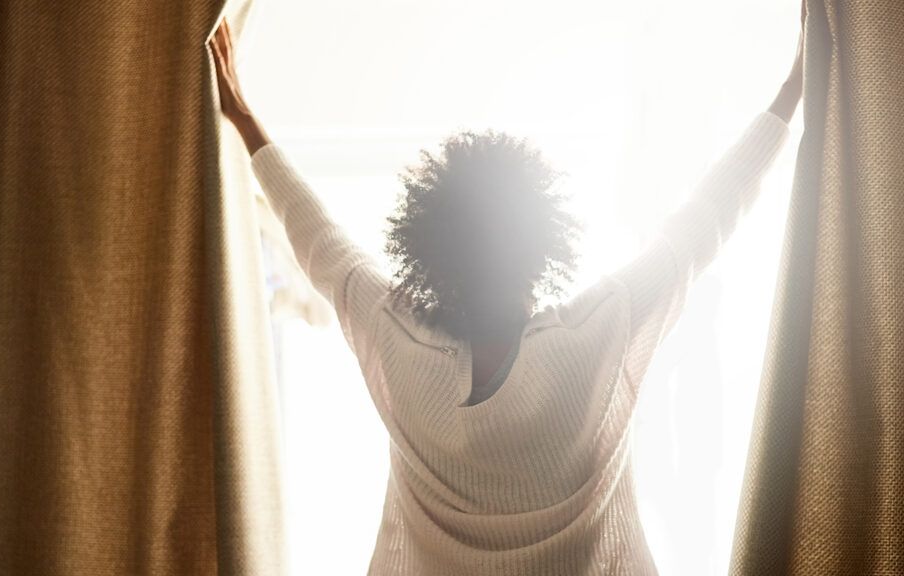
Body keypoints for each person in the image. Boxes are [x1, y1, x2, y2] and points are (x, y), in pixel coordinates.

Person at [209, 9, 803, 575]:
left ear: (431, 254)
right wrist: (794, 90)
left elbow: (318, 240)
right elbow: (705, 221)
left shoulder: (400, 339)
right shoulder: (599, 332)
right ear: (541, 249)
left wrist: (243, 119)